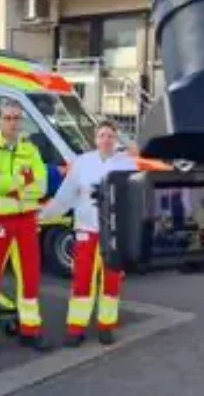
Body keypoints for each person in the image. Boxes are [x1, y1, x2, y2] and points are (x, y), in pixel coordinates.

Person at [39, 120, 137, 346]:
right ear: (95, 139)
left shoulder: (127, 164)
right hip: (86, 231)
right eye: (102, 135)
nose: (106, 140)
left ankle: (106, 327)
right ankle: (76, 329)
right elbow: (65, 196)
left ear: (116, 139)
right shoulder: (82, 163)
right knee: (81, 280)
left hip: (113, 234)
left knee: (111, 282)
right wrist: (43, 215)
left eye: (110, 136)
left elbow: (134, 199)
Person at [0, 98, 50, 362]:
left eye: (17, 118)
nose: (13, 123)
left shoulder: (32, 149)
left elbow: (42, 186)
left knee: (30, 278)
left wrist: (15, 186)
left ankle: (31, 330)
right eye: (8, 118)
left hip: (26, 221)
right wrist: (22, 181)